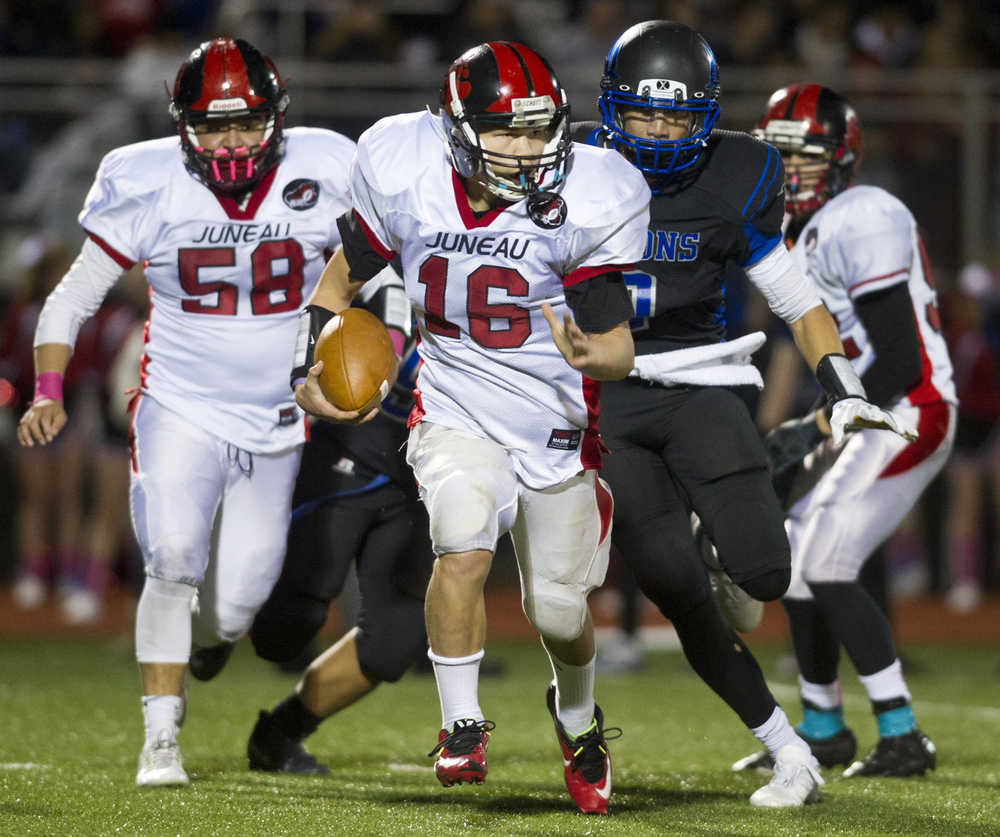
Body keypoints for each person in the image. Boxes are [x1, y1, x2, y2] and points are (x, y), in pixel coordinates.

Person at [292, 41, 650, 814]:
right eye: (507, 132)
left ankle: (579, 718)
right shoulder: (406, 170)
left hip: (554, 424)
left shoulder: (585, 195)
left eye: (538, 130)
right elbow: (342, 274)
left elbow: (619, 344)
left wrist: (596, 351)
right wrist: (304, 363)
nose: (527, 149)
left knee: (558, 609)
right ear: (456, 127)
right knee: (461, 536)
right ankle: (462, 722)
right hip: (454, 407)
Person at [579, 21, 915, 807]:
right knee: (678, 591)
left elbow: (798, 298)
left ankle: (718, 536)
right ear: (610, 111)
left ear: (707, 114)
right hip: (611, 401)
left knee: (768, 570)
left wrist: (845, 385)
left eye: (676, 116)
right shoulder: (573, 174)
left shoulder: (738, 173)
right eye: (642, 115)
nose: (659, 133)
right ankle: (787, 748)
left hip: (701, 383)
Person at [16, 37, 358, 787]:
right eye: (213, 126)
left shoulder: (326, 166)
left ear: (276, 118)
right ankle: (160, 737)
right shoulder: (145, 179)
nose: (232, 141)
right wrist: (46, 388)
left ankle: (213, 638)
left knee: (238, 602)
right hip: (180, 401)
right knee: (171, 559)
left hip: (277, 414)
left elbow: (381, 256)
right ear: (182, 125)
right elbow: (71, 297)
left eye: (246, 124)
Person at [732, 83, 955, 778]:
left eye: (804, 156)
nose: (789, 169)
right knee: (799, 561)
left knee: (827, 562)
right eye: (779, 155)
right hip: (870, 408)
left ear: (841, 158)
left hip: (910, 405)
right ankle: (823, 725)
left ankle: (902, 730)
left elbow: (900, 356)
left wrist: (819, 419)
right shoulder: (791, 233)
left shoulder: (863, 213)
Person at [244, 266, 436, 774]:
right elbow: (371, 286)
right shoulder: (411, 216)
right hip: (357, 442)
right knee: (288, 628)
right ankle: (212, 623)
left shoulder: (526, 242)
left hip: (431, 462)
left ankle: (279, 732)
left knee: (395, 642)